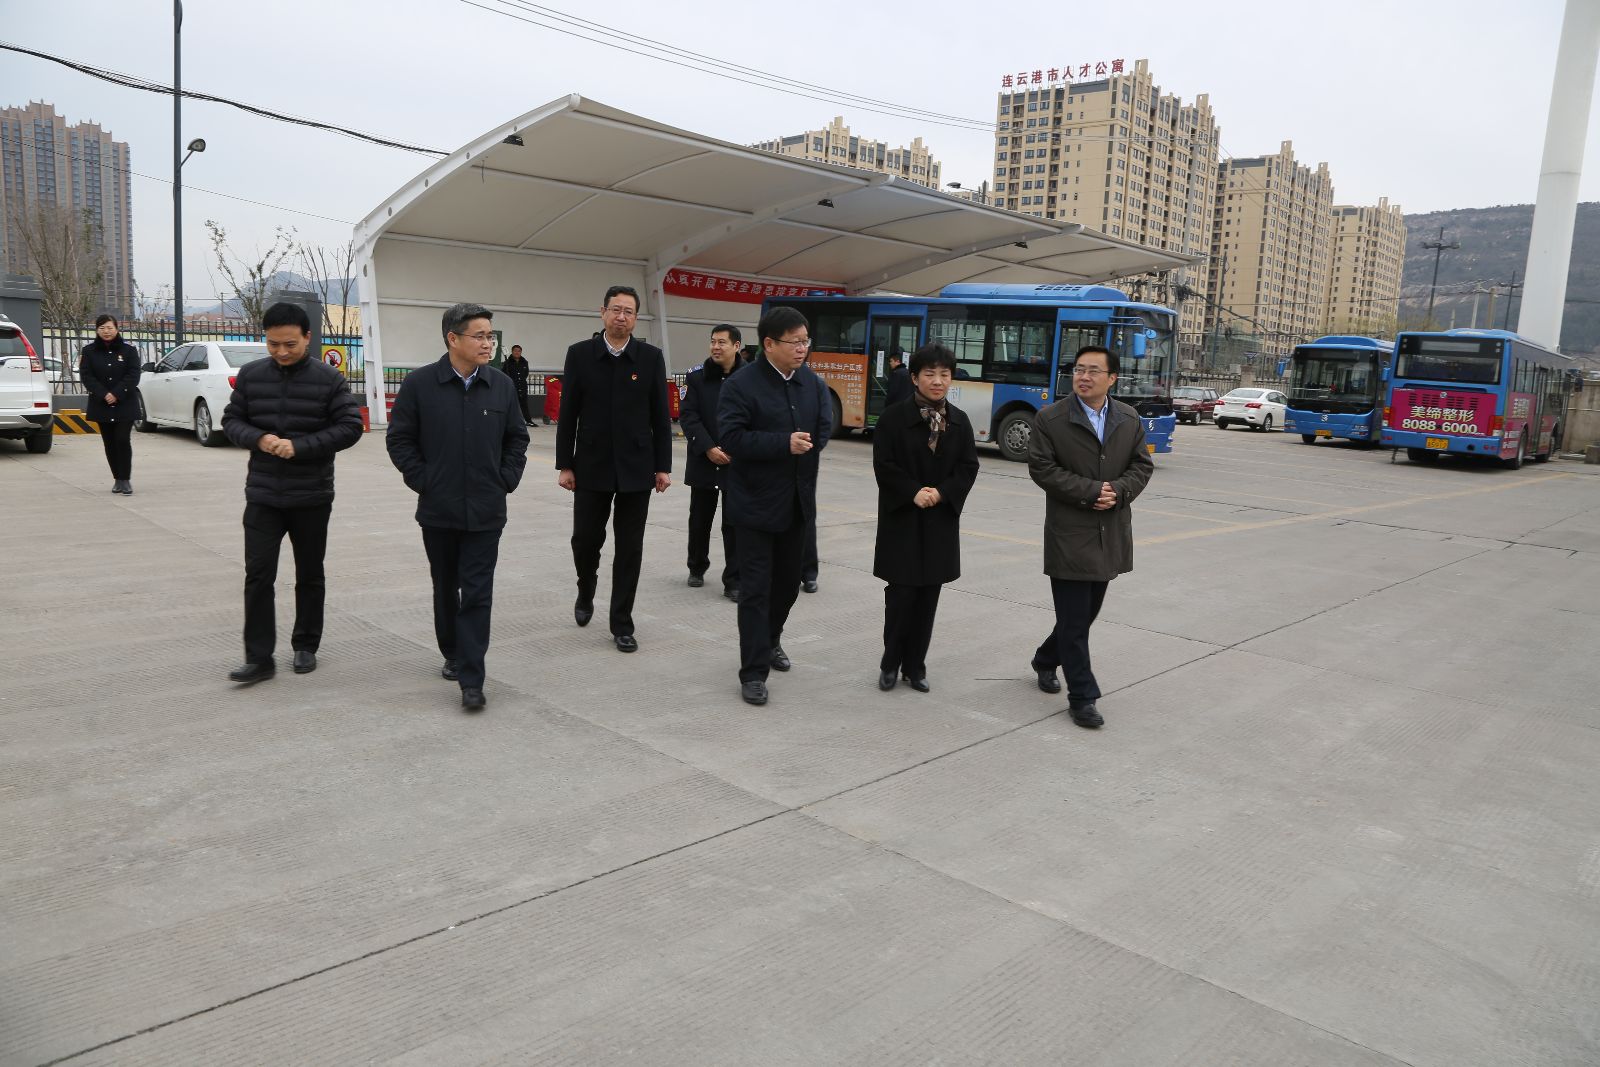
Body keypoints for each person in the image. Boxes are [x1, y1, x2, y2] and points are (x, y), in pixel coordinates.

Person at [386, 302, 530, 711]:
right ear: (453, 338)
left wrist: (505, 479)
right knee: (446, 587)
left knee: (478, 592)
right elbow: (399, 439)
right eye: (479, 336)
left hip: (487, 510)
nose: (488, 344)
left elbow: (516, 438)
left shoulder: (501, 385)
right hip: (439, 510)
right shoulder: (420, 385)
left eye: (490, 337)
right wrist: (425, 480)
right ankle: (451, 650)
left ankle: (472, 678)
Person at [221, 301, 364, 684]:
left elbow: (350, 426)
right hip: (263, 495)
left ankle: (305, 645)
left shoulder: (328, 379)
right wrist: (259, 439)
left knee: (310, 574)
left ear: (307, 337)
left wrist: (300, 447)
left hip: (311, 496)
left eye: (290, 344)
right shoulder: (251, 376)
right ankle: (259, 658)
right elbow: (232, 420)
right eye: (273, 344)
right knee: (258, 575)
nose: (281, 352)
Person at [1027, 344, 1153, 729]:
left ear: (1112, 378)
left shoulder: (1128, 418)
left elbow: (1142, 465)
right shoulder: (1051, 419)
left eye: (1093, 370)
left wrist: (1119, 490)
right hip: (1069, 535)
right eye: (1079, 369)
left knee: (1083, 617)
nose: (1083, 377)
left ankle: (1045, 659)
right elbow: (1042, 468)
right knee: (1075, 621)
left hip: (1109, 532)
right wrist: (1091, 491)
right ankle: (1083, 697)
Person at [718, 305, 831, 706]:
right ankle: (753, 672)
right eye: (794, 342)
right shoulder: (741, 385)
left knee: (786, 585)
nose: (802, 348)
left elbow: (824, 427)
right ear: (769, 344)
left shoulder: (812, 384)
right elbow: (731, 437)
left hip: (797, 504)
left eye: (805, 341)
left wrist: (807, 446)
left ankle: (770, 639)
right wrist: (782, 443)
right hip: (754, 506)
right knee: (755, 591)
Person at [554, 285, 672, 653]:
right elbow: (568, 413)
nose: (622, 317)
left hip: (637, 467)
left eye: (629, 311)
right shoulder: (580, 355)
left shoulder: (650, 358)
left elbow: (660, 417)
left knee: (630, 548)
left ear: (636, 318)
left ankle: (622, 622)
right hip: (591, 465)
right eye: (616, 309)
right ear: (603, 312)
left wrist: (663, 466)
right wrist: (565, 464)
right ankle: (585, 587)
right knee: (585, 540)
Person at [872, 343, 979, 693]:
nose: (937, 381)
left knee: (928, 597)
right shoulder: (892, 419)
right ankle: (890, 663)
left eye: (944, 374)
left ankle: (915, 666)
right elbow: (884, 465)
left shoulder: (959, 421)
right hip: (902, 519)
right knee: (900, 596)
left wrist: (942, 493)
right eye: (930, 374)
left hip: (939, 522)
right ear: (914, 377)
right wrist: (912, 491)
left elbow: (968, 467)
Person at [679, 324, 744, 599]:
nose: (716, 347)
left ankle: (734, 580)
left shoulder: (750, 378)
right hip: (704, 460)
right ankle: (696, 567)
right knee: (700, 519)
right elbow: (688, 416)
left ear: (736, 346)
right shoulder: (695, 377)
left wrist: (736, 448)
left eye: (722, 342)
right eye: (713, 342)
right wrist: (708, 447)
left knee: (735, 523)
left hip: (736, 462)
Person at [78, 314, 141, 494]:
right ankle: (117, 479)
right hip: (101, 403)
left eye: (110, 328)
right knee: (109, 443)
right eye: (102, 328)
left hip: (125, 403)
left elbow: (133, 375)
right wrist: (104, 394)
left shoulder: (129, 351)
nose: (106, 331)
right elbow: (87, 376)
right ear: (97, 330)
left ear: (117, 329)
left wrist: (117, 393)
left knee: (122, 439)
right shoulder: (89, 351)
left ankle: (125, 479)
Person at [503, 343, 532, 424]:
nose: (517, 352)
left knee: (524, 404)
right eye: (515, 351)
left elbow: (525, 374)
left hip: (522, 387)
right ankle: (511, 421)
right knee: (512, 405)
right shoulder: (507, 363)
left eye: (519, 351)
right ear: (512, 352)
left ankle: (528, 420)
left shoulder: (524, 362)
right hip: (512, 387)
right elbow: (504, 374)